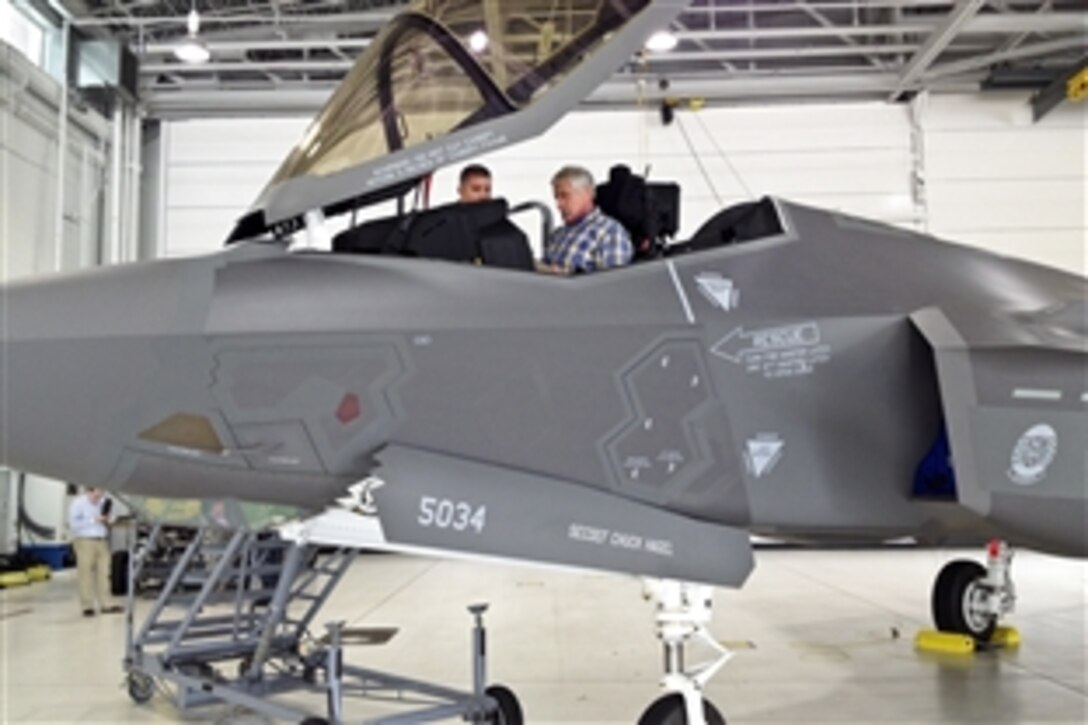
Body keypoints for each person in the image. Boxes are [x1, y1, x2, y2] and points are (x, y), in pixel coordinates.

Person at [542, 165, 632, 274]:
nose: (559, 205)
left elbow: (613, 285)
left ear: (588, 194)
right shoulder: (557, 235)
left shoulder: (609, 232)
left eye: (565, 196)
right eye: (556, 197)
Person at [68, 487, 122, 616]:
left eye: (101, 494)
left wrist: (109, 519)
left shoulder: (103, 502)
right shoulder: (78, 503)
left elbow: (112, 518)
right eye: (96, 496)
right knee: (85, 573)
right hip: (85, 541)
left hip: (102, 540)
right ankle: (87, 606)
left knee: (105, 573)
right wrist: (94, 520)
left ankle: (106, 604)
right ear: (89, 492)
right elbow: (73, 524)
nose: (98, 498)